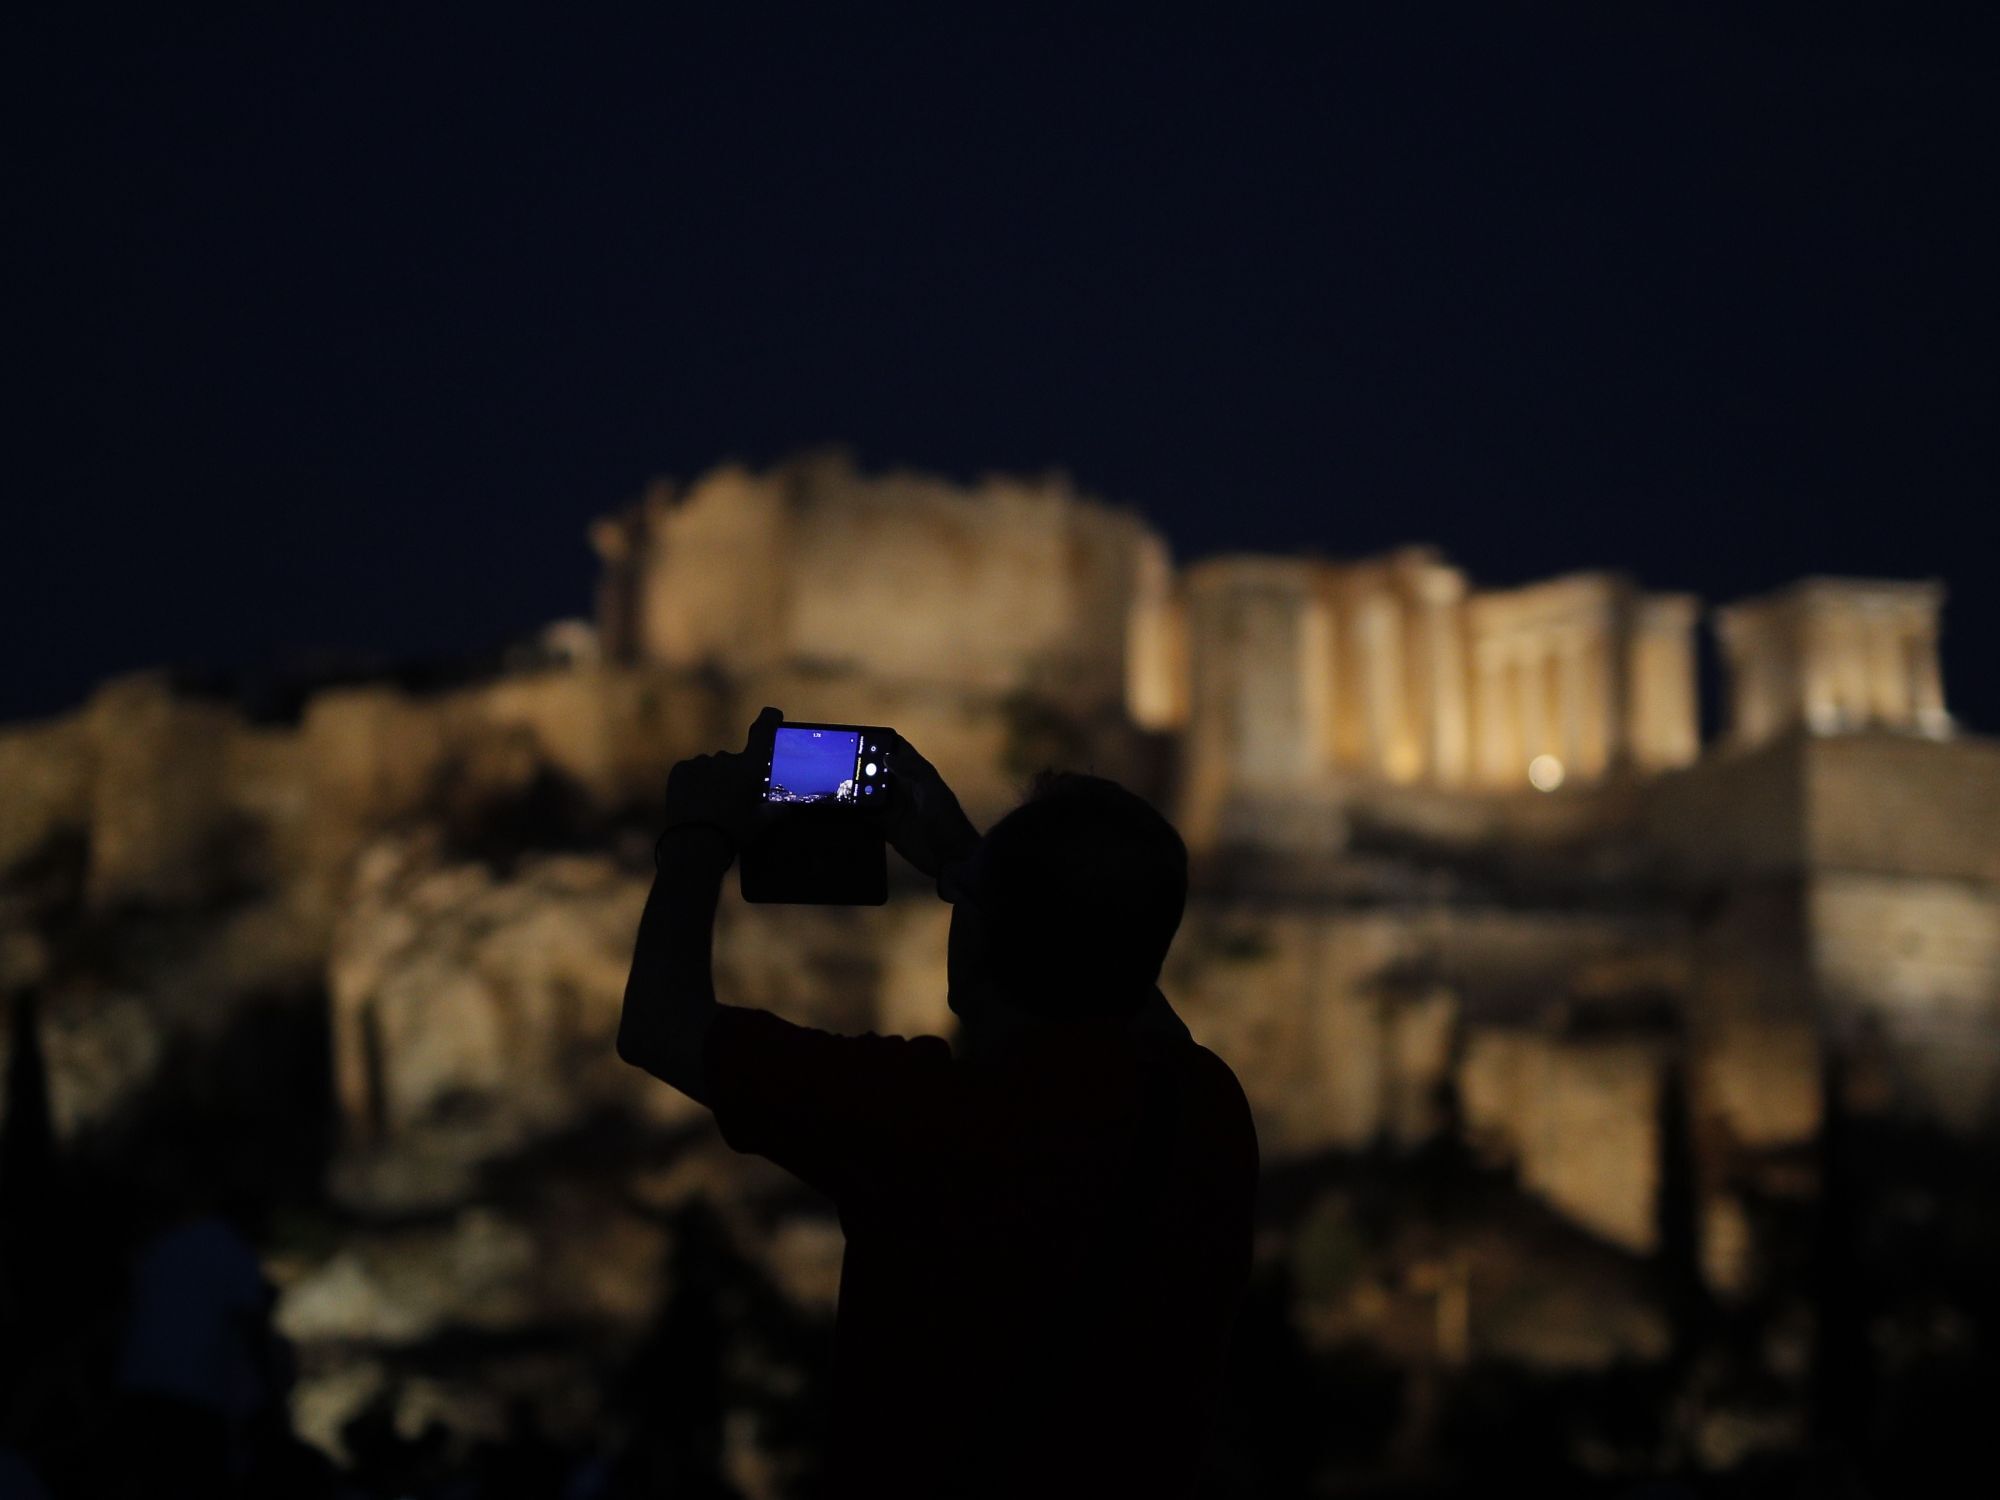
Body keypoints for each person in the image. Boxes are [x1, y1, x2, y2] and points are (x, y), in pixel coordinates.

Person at [618, 709, 1259, 1499]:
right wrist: (975, 869)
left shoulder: (929, 1122)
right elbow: (1121, 970)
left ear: (979, 939)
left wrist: (697, 833)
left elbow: (658, 1026)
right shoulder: (1205, 1112)